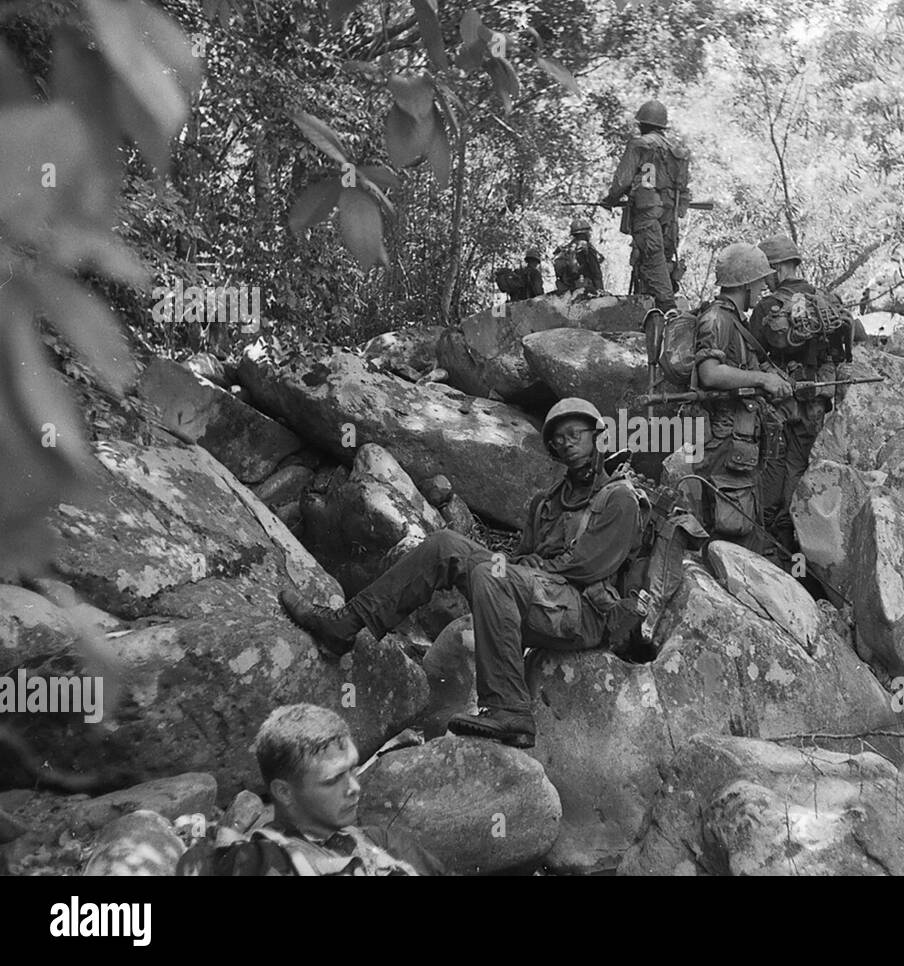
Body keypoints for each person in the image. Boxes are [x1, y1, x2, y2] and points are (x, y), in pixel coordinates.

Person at [278, 398, 641, 749]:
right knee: (445, 544)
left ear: (598, 436)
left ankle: (510, 710)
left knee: (492, 575)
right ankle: (345, 624)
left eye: (575, 434)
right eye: (559, 439)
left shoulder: (618, 498)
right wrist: (521, 565)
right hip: (540, 596)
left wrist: (529, 568)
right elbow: (523, 557)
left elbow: (589, 565)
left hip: (584, 612)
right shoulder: (546, 502)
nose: (567, 443)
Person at [178, 704, 448, 876]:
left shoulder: (381, 840)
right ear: (284, 792)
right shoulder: (257, 859)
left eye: (352, 770)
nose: (354, 788)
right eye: (333, 780)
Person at [749, 234, 854, 556]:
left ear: (778, 268)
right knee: (800, 469)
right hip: (817, 403)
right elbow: (849, 345)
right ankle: (799, 543)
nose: (764, 279)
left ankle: (770, 545)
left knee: (770, 468)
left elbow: (750, 354)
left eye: (766, 271)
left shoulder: (768, 308)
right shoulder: (825, 302)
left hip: (779, 403)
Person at [691, 242, 792, 552]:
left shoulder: (736, 321)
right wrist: (762, 379)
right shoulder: (716, 319)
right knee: (726, 532)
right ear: (746, 284)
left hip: (740, 445)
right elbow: (710, 373)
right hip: (722, 446)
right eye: (759, 283)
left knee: (744, 528)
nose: (762, 289)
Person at [600, 99, 691, 313]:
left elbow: (622, 180)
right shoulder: (676, 151)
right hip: (669, 214)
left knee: (651, 260)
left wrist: (610, 200)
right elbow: (683, 187)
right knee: (663, 260)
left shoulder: (639, 145)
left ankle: (666, 308)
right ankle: (659, 306)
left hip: (646, 212)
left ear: (642, 124)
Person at [553, 219, 604, 296]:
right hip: (585, 289)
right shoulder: (586, 247)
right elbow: (596, 273)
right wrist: (601, 292)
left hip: (567, 290)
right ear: (585, 233)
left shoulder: (564, 248)